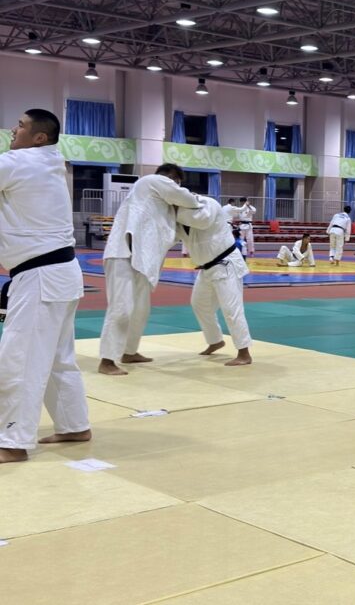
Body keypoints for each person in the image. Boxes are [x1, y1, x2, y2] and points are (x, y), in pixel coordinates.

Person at [0, 109, 90, 463]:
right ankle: (74, 425)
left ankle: (13, 441)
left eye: (21, 125)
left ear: (39, 137)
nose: (14, 128)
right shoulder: (48, 162)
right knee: (56, 358)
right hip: (59, 272)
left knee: (19, 359)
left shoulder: (20, 161)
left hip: (40, 275)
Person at [98, 163, 199, 376]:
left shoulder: (162, 206)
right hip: (123, 254)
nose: (176, 185)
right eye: (176, 181)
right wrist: (191, 197)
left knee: (140, 310)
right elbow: (188, 200)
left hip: (142, 260)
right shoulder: (151, 182)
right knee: (121, 308)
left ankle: (129, 351)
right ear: (168, 177)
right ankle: (107, 360)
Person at [176, 195, 253, 366]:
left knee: (231, 309)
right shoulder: (178, 220)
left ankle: (244, 352)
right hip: (207, 268)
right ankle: (215, 340)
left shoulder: (208, 204)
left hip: (226, 263)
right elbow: (169, 235)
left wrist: (174, 211)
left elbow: (201, 221)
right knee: (199, 303)